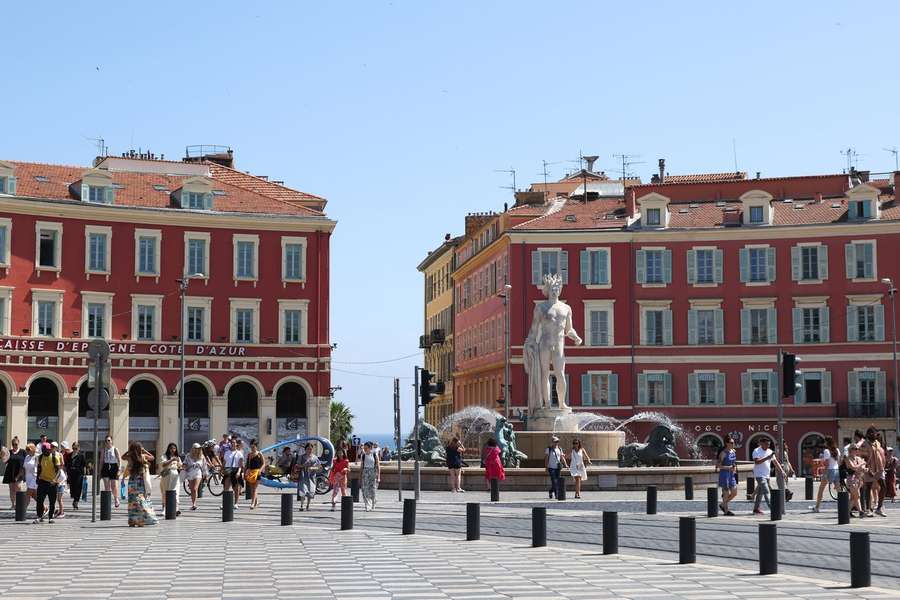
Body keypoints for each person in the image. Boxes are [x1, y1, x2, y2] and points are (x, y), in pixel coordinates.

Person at [123, 441, 158, 527]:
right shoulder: (143, 456)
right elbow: (152, 457)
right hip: (140, 482)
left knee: (132, 502)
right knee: (141, 501)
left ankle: (133, 520)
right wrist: (144, 450)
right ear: (139, 449)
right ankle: (142, 519)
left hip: (132, 482)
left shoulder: (130, 457)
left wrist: (129, 451)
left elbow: (122, 457)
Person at [752, 438, 785, 515]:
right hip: (759, 475)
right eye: (766, 444)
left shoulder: (770, 451)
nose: (768, 446)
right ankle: (773, 509)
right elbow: (757, 462)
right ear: (761, 443)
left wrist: (782, 471)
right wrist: (767, 457)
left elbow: (775, 462)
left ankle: (756, 509)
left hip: (767, 475)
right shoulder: (756, 451)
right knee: (766, 491)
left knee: (760, 493)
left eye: (769, 444)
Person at [33, 442, 62, 524]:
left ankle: (50, 517)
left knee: (52, 501)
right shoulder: (40, 457)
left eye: (49, 449)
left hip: (52, 483)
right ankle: (39, 516)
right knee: (39, 500)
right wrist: (37, 478)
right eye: (45, 450)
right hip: (42, 481)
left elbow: (59, 471)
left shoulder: (54, 457)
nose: (48, 451)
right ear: (43, 450)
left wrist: (55, 480)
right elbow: (39, 468)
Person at [812, 436, 840, 513]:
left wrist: (824, 474)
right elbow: (838, 461)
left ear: (827, 442)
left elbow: (827, 464)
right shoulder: (837, 450)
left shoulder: (827, 451)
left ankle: (817, 507)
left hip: (829, 470)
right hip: (836, 470)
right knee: (839, 490)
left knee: (821, 489)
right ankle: (842, 506)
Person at [158, 443, 182, 516]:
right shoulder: (164, 456)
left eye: (174, 448)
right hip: (167, 475)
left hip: (175, 475)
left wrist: (181, 466)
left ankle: (176, 508)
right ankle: (164, 508)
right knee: (166, 491)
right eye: (171, 448)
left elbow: (180, 466)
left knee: (176, 491)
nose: (173, 450)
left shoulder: (177, 457)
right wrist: (171, 460)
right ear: (168, 449)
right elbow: (163, 464)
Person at [3, 436, 26, 509]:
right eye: (13, 444)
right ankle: (13, 504)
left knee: (18, 488)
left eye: (16, 444)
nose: (14, 446)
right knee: (12, 489)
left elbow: (26, 461)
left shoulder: (23, 452)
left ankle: (19, 504)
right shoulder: (9, 452)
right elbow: (5, 461)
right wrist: (3, 455)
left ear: (18, 443)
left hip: (20, 472)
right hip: (10, 472)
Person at [717, 436, 738, 515]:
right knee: (725, 493)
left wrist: (734, 467)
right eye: (731, 443)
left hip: (731, 474)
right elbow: (718, 465)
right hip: (724, 474)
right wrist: (728, 467)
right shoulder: (723, 453)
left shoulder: (733, 451)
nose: (733, 444)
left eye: (733, 442)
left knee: (734, 492)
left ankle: (722, 504)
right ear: (727, 443)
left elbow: (733, 462)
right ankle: (726, 510)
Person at [182, 443, 207, 510]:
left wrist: (205, 474)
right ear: (193, 449)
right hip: (190, 472)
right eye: (195, 448)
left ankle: (194, 504)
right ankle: (193, 503)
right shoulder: (188, 456)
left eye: (198, 448)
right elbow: (184, 463)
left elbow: (204, 466)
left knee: (195, 488)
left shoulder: (202, 456)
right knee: (192, 489)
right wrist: (184, 466)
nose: (197, 450)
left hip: (197, 472)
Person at [297, 443, 321, 511]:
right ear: (305, 449)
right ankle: (301, 505)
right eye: (308, 449)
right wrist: (303, 466)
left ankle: (308, 505)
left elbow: (319, 467)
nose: (309, 450)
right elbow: (297, 465)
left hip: (311, 476)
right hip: (303, 475)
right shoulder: (301, 457)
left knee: (311, 491)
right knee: (303, 490)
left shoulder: (315, 457)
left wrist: (312, 468)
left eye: (311, 449)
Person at [845, 445, 867, 517]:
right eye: (855, 449)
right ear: (850, 450)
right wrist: (862, 464)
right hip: (851, 479)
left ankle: (847, 512)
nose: (857, 450)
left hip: (858, 479)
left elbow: (863, 467)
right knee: (857, 495)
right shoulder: (848, 458)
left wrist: (864, 468)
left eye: (857, 449)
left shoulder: (858, 458)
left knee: (853, 497)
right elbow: (853, 467)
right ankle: (861, 511)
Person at [100, 436, 122, 509]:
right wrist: (99, 471)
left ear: (112, 441)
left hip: (113, 467)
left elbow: (119, 460)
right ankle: (108, 501)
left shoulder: (115, 449)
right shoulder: (103, 450)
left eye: (109, 440)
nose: (107, 442)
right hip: (106, 466)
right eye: (106, 441)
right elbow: (101, 461)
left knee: (114, 485)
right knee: (107, 486)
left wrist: (119, 470)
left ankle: (116, 499)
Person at [359, 441, 380, 511]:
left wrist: (378, 476)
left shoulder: (374, 455)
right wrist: (360, 476)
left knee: (372, 490)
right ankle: (367, 505)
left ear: (370, 448)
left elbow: (378, 466)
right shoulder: (363, 456)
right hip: (365, 473)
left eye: (366, 448)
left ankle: (373, 503)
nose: (364, 449)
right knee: (364, 490)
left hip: (372, 473)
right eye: (364, 448)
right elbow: (361, 466)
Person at [244, 440, 265, 509]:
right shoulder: (249, 454)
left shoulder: (259, 454)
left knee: (254, 488)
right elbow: (247, 465)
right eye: (251, 447)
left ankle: (252, 503)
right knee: (251, 488)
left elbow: (263, 463)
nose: (252, 448)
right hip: (251, 472)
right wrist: (245, 472)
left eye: (253, 447)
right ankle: (256, 501)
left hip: (257, 472)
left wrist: (260, 470)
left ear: (256, 447)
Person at [51, 442, 67, 519]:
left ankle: (62, 512)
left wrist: (59, 464)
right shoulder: (50, 454)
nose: (52, 447)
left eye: (54, 446)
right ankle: (57, 511)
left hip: (60, 480)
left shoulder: (59, 455)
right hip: (55, 479)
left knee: (59, 498)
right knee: (54, 497)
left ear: (56, 447)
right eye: (51, 446)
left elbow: (62, 464)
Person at [23, 443, 38, 514]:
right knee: (34, 495)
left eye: (28, 449)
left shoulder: (37, 457)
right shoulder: (27, 457)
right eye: (26, 449)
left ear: (33, 449)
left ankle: (22, 510)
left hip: (34, 477)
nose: (27, 451)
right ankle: (45, 507)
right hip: (28, 478)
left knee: (27, 494)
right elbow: (24, 467)